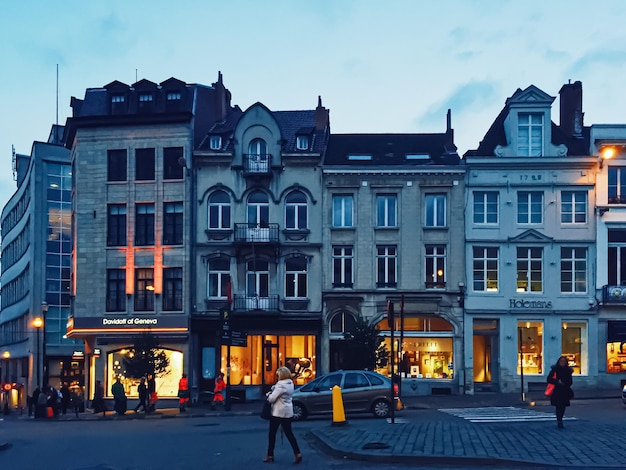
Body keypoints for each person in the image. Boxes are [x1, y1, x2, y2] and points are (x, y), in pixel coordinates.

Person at [263, 366, 302, 464]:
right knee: (289, 433)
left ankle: (270, 455)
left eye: (278, 375)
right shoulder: (290, 384)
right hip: (288, 411)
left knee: (272, 434)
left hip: (278, 412)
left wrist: (268, 395)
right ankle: (297, 453)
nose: (277, 377)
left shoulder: (280, 385)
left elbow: (272, 399)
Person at [547, 355, 574, 428]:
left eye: (564, 361)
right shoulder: (555, 370)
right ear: (558, 362)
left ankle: (560, 418)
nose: (562, 362)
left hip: (565, 391)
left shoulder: (568, 370)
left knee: (563, 406)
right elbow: (549, 379)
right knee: (558, 406)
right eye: (561, 361)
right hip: (557, 390)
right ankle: (559, 420)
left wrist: (565, 383)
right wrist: (557, 382)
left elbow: (570, 381)